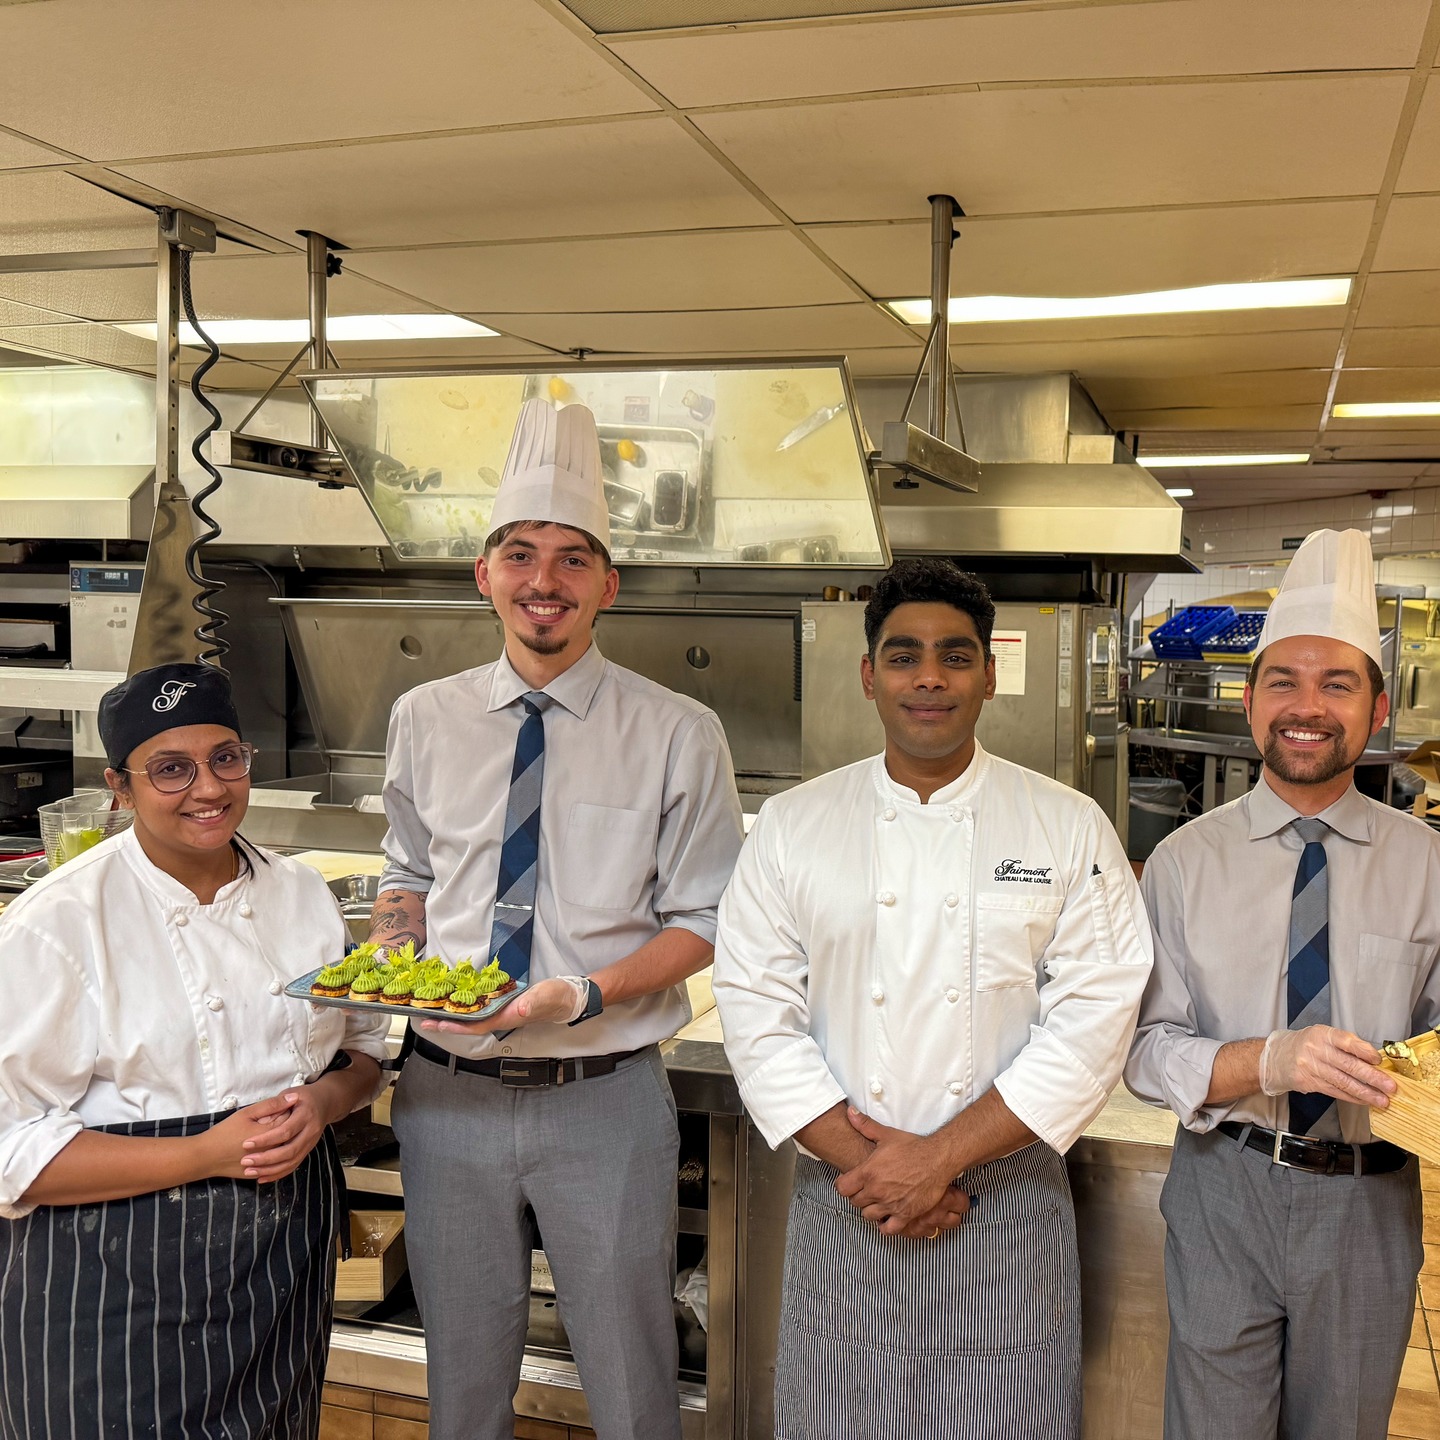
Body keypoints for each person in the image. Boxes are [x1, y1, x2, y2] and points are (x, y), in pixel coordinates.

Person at [371, 397, 745, 1440]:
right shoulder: (424, 718)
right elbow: (406, 873)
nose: (545, 580)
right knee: (464, 1379)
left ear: (607, 585)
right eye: (521, 553)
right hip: (444, 1099)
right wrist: (394, 950)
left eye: (574, 557)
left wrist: (588, 989)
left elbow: (707, 915)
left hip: (604, 1100)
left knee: (632, 1375)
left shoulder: (678, 731)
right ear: (483, 574)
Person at [712, 557, 1153, 1440]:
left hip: (1003, 1204)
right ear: (870, 674)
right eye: (905, 655)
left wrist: (941, 1157)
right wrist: (878, 1171)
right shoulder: (797, 827)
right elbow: (755, 1010)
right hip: (847, 1197)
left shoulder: (1067, 826)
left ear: (990, 674)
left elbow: (1095, 1024)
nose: (929, 678)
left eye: (955, 657)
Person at [0, 661, 386, 1440]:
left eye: (225, 759)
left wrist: (321, 1102)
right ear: (119, 785)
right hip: (110, 1281)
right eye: (170, 769)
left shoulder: (303, 894)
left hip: (279, 1269)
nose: (208, 789)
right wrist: (205, 1154)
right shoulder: (60, 924)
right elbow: (9, 1150)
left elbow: (364, 1053)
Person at [1124, 527, 1440, 1440]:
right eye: (1283, 682)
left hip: (1370, 1199)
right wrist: (1275, 1059)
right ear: (1251, 701)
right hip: (1226, 1185)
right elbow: (1146, 1053)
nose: (1308, 708)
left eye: (1337, 683)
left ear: (1376, 710)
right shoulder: (1182, 863)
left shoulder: (1428, 867)